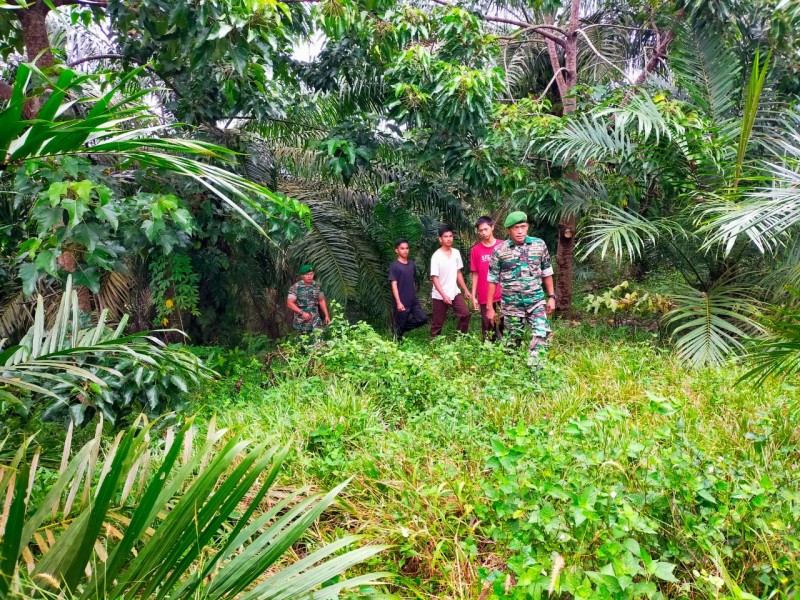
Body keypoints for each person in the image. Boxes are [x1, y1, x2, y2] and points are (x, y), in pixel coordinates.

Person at [486, 212, 556, 366]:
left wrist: (551, 296)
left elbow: (547, 272)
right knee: (512, 342)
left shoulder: (539, 245)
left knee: (541, 332)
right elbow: (492, 280)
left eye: (523, 227)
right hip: (512, 305)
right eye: (516, 228)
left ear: (527, 227)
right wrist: (490, 307)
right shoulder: (499, 251)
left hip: (536, 301)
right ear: (508, 231)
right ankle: (510, 373)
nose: (520, 231)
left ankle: (536, 369)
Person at [430, 225, 473, 337]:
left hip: (454, 291)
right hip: (439, 295)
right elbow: (434, 278)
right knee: (438, 323)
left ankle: (460, 338)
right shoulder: (436, 256)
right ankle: (434, 343)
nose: (449, 239)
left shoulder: (456, 253)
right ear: (440, 239)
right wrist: (443, 295)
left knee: (465, 314)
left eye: (450, 236)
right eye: (445, 236)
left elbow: (458, 272)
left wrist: (466, 290)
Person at [470, 215, 504, 342]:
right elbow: (475, 274)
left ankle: (507, 347)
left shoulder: (503, 245)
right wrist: (474, 296)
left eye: (485, 229)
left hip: (503, 292)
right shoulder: (475, 250)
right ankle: (488, 349)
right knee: (487, 325)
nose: (483, 233)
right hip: (484, 293)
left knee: (506, 321)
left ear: (492, 227)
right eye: (480, 230)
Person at [388, 239, 429, 339]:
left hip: (413, 301)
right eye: (402, 248)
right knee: (398, 331)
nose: (405, 250)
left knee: (422, 319)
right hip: (402, 302)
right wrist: (398, 302)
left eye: (407, 248)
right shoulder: (394, 265)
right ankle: (397, 341)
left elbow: (412, 281)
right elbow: (394, 285)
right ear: (396, 250)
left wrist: (414, 295)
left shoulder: (412, 264)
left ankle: (400, 329)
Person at [287, 265, 331, 333]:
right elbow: (290, 303)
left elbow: (321, 300)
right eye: (307, 274)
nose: (310, 276)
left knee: (318, 342)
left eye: (311, 274)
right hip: (301, 321)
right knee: (302, 342)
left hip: (315, 320)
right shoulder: (295, 287)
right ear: (302, 276)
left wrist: (326, 315)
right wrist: (302, 313)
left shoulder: (317, 286)